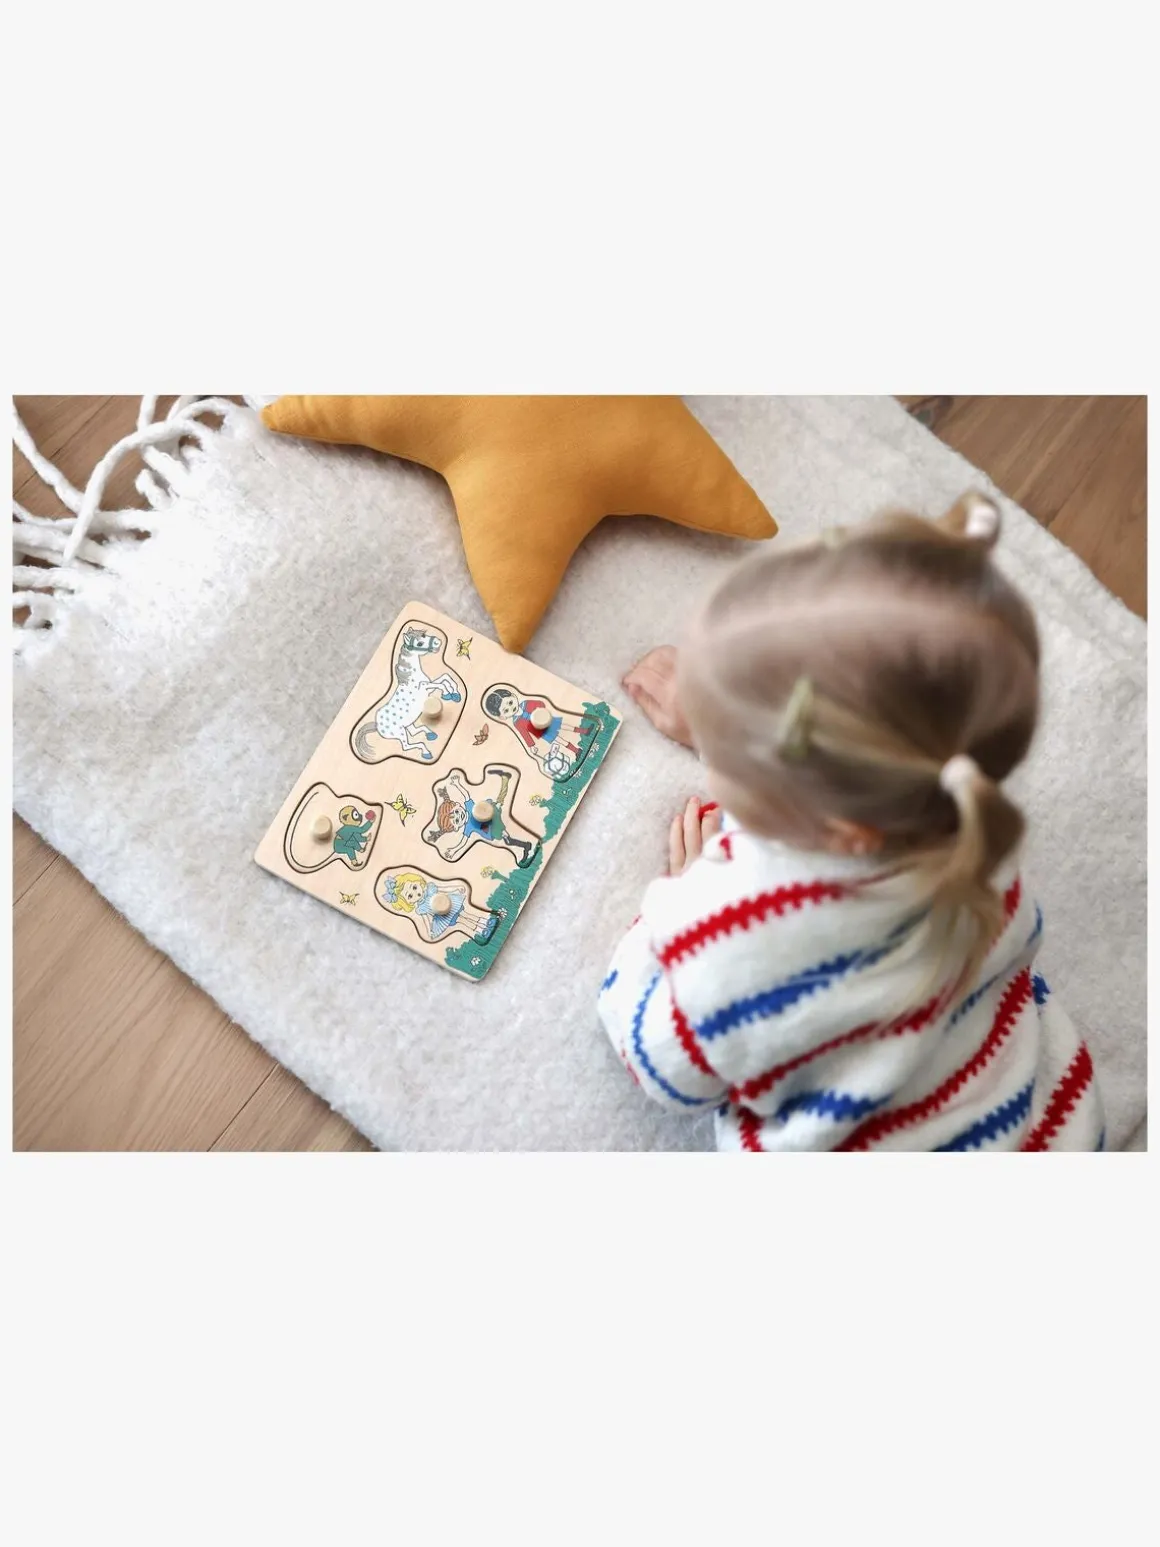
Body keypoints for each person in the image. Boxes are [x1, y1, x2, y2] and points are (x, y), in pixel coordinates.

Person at [600, 493, 1104, 1153]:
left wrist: (672, 912)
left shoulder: (735, 942)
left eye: (736, 739)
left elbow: (657, 1063)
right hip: (1058, 1129)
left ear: (838, 826)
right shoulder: (972, 824)